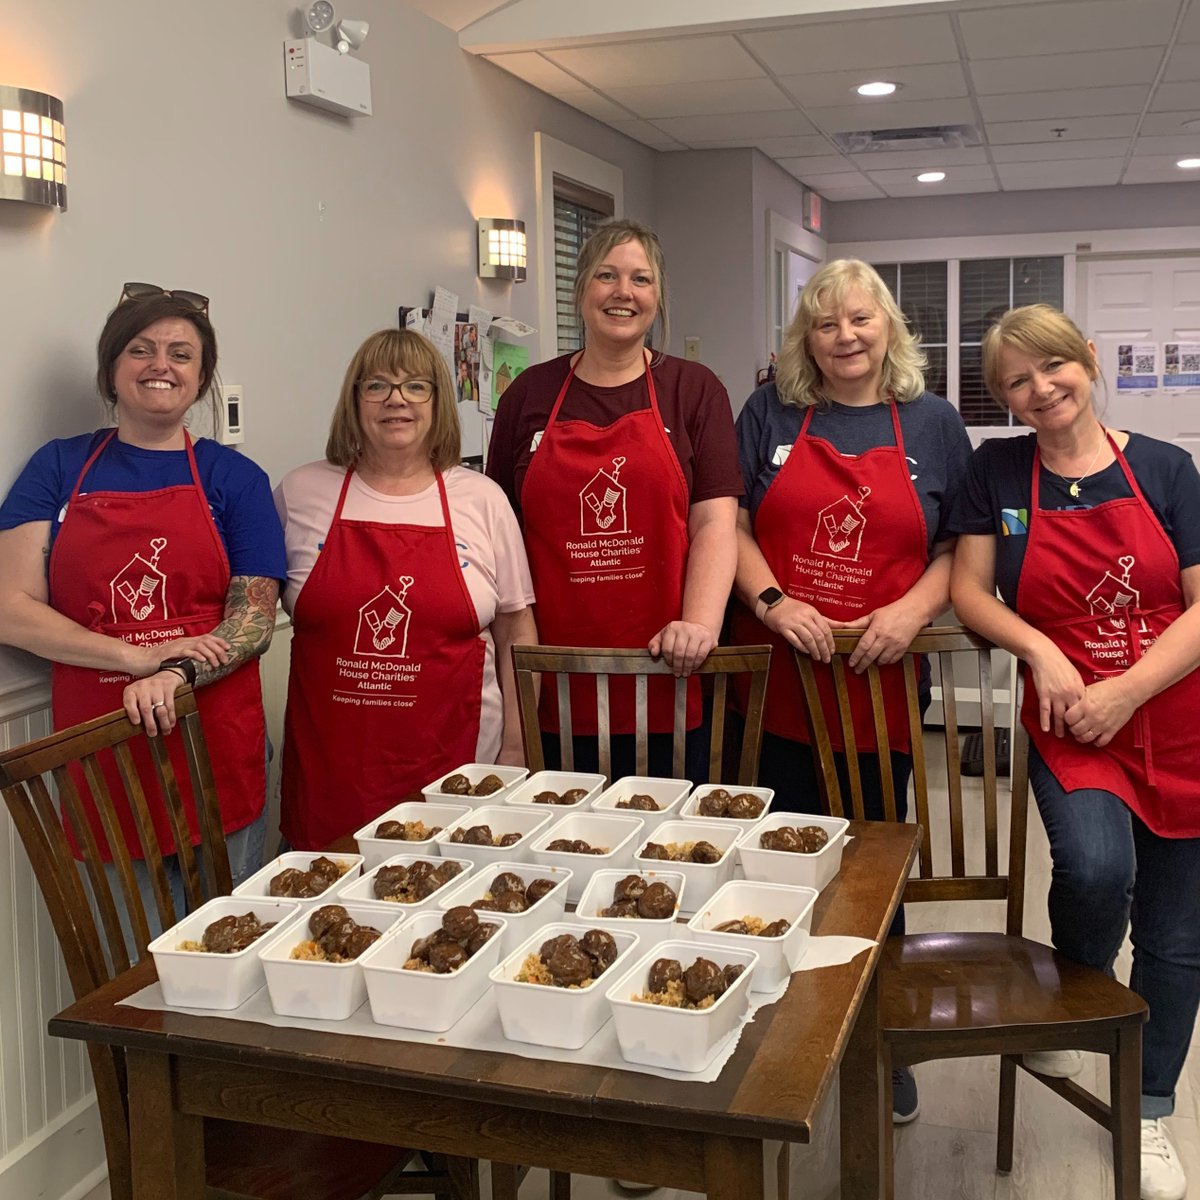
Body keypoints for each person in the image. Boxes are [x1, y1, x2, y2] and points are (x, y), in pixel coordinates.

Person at [950, 304, 1200, 1200]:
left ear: (1087, 360)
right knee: (1095, 871)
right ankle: (1073, 999)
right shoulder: (998, 469)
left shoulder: (1168, 468)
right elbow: (969, 591)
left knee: (1176, 939)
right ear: (1005, 399)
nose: (1040, 389)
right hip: (1070, 717)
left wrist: (1129, 690)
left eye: (1052, 367)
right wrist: (1043, 651)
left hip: (1178, 719)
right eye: (1016, 381)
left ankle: (1151, 1106)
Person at [730, 259, 972, 1124]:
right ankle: (765, 1036)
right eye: (827, 324)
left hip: (882, 689)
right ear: (807, 336)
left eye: (860, 321)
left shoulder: (936, 424)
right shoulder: (768, 412)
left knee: (876, 871)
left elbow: (959, 547)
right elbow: (735, 526)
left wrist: (911, 610)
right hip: (783, 684)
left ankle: (880, 1034)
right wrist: (773, 601)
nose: (845, 338)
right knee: (776, 869)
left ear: (888, 331)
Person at [0, 283, 285, 916]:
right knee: (130, 967)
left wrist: (178, 670)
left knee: (226, 946)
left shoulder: (234, 477)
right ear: (110, 369)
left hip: (213, 747)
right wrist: (131, 656)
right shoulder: (57, 468)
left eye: (181, 353)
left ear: (203, 376)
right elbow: (8, 606)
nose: (161, 365)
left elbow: (255, 618)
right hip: (103, 751)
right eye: (141, 349)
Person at [487, 218, 741, 779]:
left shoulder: (694, 390)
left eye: (640, 279)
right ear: (580, 291)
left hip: (667, 674)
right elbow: (501, 543)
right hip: (551, 677)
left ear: (657, 298)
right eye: (606, 275)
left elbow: (716, 525)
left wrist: (698, 626)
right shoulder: (527, 394)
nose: (623, 292)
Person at [275, 328, 536, 851]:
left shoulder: (482, 500)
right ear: (354, 401)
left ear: (438, 402)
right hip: (334, 777)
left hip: (459, 770)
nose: (396, 399)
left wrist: (516, 744)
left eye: (416, 386)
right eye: (377, 385)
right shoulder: (299, 493)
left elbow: (516, 629)